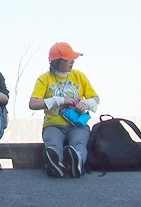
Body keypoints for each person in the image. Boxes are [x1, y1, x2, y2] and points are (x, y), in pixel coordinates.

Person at [29, 42, 100, 178]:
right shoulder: (44, 79)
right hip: (53, 124)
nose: (72, 61)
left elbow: (96, 98)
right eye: (68, 59)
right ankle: (56, 164)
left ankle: (77, 162)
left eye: (72, 59)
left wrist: (85, 103)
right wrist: (59, 100)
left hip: (77, 124)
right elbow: (33, 103)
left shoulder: (79, 76)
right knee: (53, 145)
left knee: (79, 143)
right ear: (56, 61)